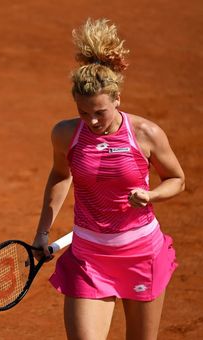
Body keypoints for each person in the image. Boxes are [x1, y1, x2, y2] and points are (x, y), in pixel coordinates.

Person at [32, 18, 185, 340]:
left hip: (142, 254)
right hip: (89, 258)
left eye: (100, 112)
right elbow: (61, 175)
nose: (92, 121)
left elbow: (176, 179)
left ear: (117, 99)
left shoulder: (146, 133)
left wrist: (151, 195)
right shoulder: (66, 134)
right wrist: (42, 233)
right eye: (84, 112)